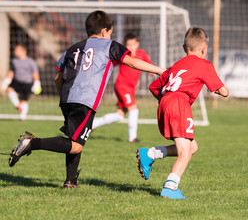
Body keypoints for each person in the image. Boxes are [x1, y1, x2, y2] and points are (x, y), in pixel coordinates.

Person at [8, 10, 165, 189]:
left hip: (67, 97)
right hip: (85, 99)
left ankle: (70, 181)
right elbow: (132, 62)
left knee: (74, 139)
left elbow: (57, 77)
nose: (111, 35)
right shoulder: (109, 45)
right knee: (75, 145)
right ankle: (31, 143)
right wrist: (161, 71)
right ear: (105, 31)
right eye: (111, 33)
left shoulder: (72, 47)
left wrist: (64, 98)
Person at [136, 27, 229, 199]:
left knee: (192, 147)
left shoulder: (175, 66)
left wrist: (166, 102)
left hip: (164, 102)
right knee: (184, 152)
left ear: (184, 48)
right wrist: (218, 90)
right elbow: (224, 91)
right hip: (179, 103)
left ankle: (150, 154)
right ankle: (171, 186)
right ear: (204, 49)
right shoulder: (204, 65)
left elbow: (154, 86)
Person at [92, 33, 153, 143]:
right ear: (125, 45)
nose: (131, 47)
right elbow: (110, 63)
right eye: (129, 45)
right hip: (122, 86)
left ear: (137, 44)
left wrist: (152, 72)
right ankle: (132, 138)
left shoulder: (142, 54)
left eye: (133, 44)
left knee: (120, 115)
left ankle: (92, 125)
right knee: (133, 109)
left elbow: (148, 64)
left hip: (131, 88)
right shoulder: (124, 55)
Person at [1, 44, 42, 121]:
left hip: (27, 83)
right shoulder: (14, 61)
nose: (15, 52)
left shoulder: (30, 61)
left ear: (24, 51)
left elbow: (35, 73)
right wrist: (7, 81)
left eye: (17, 50)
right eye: (15, 50)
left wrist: (37, 83)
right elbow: (11, 72)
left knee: (23, 100)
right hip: (16, 81)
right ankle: (17, 105)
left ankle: (22, 116)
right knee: (9, 89)